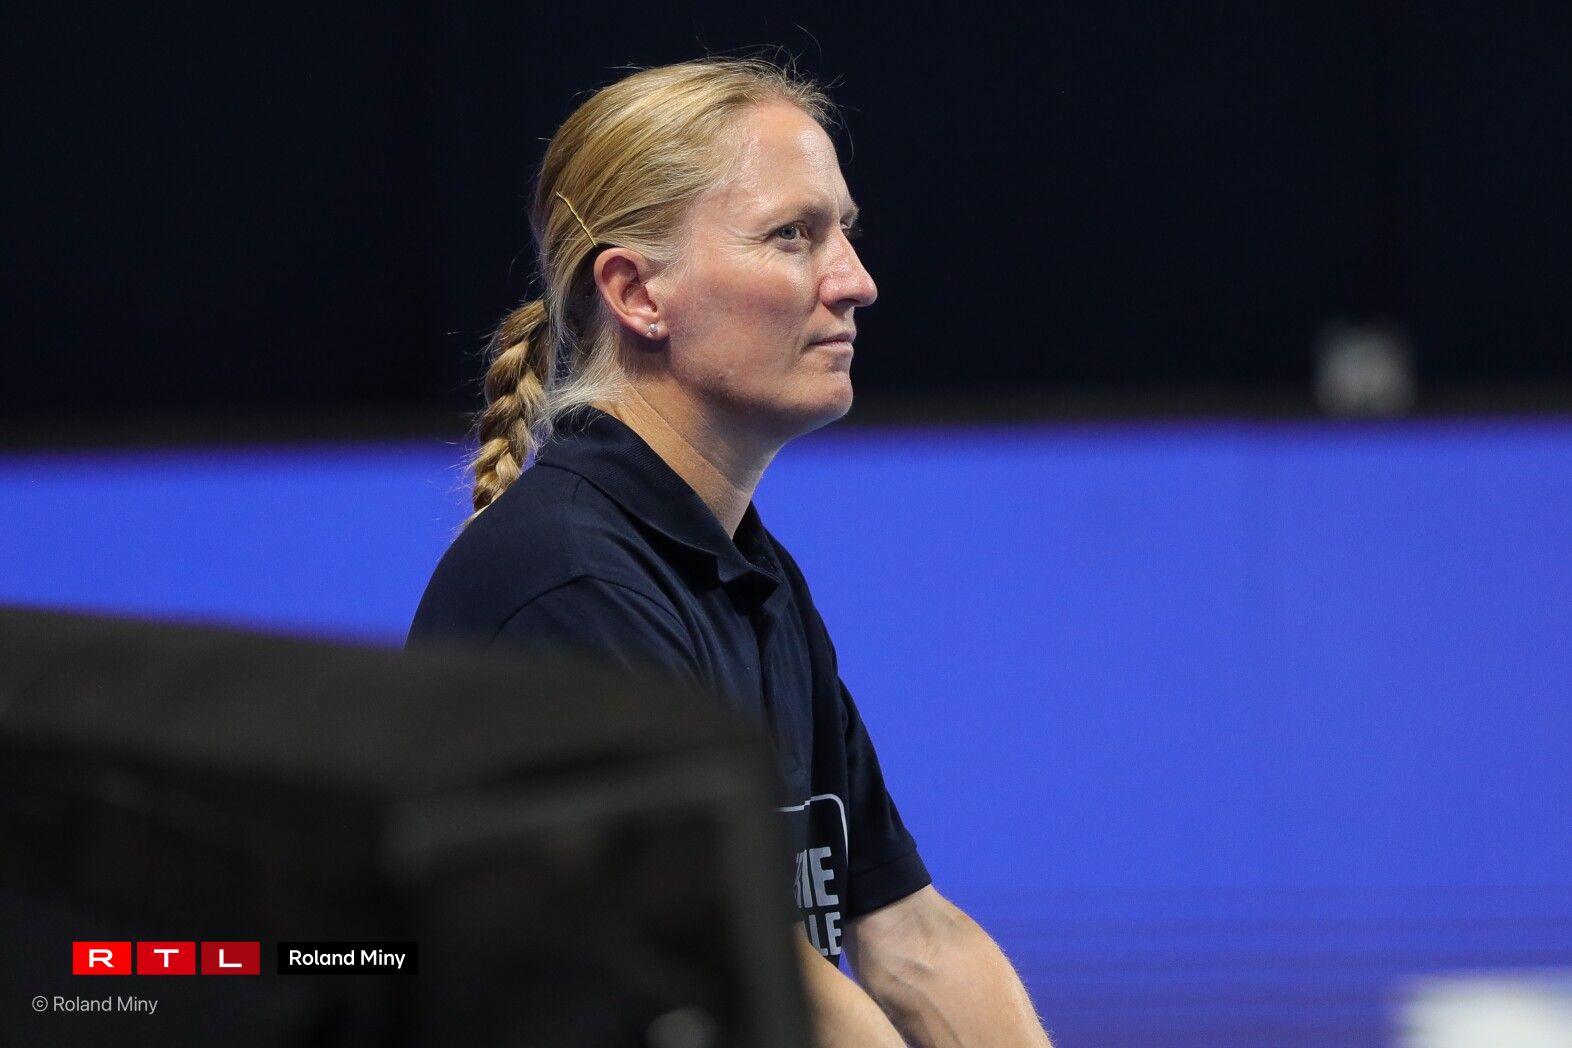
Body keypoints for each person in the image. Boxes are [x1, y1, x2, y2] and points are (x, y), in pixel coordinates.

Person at [406, 56, 1053, 1048]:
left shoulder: (754, 578)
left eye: (845, 231)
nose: (856, 281)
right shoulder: (566, 585)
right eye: (793, 234)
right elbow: (765, 981)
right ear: (636, 292)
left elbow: (912, 938)